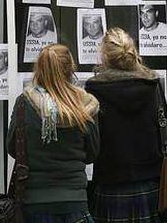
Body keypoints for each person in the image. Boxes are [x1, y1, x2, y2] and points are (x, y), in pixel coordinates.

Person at [7, 44, 99, 222]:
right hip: (75, 201)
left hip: (34, 202)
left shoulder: (24, 103)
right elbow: (92, 154)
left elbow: (13, 148)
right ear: (70, 68)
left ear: (39, 69)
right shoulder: (86, 104)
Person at [85, 28, 164, 222]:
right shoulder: (152, 84)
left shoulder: (94, 88)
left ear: (105, 56)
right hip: (150, 183)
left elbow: (91, 142)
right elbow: (165, 129)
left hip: (110, 183)